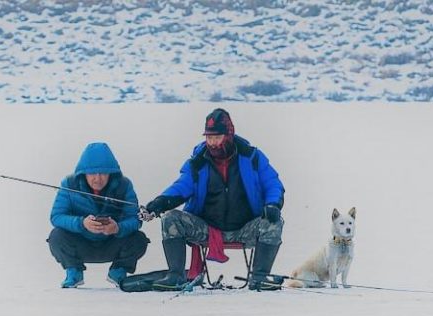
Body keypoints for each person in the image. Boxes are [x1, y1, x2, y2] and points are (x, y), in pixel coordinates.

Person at [143, 108, 285, 290]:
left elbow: (273, 184)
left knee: (274, 222)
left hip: (245, 228)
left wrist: (273, 204)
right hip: (207, 229)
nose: (212, 143)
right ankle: (176, 276)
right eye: (209, 137)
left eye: (217, 137)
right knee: (171, 218)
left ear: (229, 135)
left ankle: (260, 277)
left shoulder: (252, 157)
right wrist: (159, 203)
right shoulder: (197, 163)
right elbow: (181, 187)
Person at [47, 142, 149, 288]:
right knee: (56, 236)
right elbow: (56, 216)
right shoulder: (69, 184)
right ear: (83, 173)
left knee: (139, 239)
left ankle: (118, 271)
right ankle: (74, 271)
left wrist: (117, 228)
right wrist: (82, 223)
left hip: (112, 242)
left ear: (111, 173)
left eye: (103, 173)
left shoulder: (124, 185)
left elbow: (135, 219)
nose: (98, 178)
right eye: (92, 173)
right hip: (81, 243)